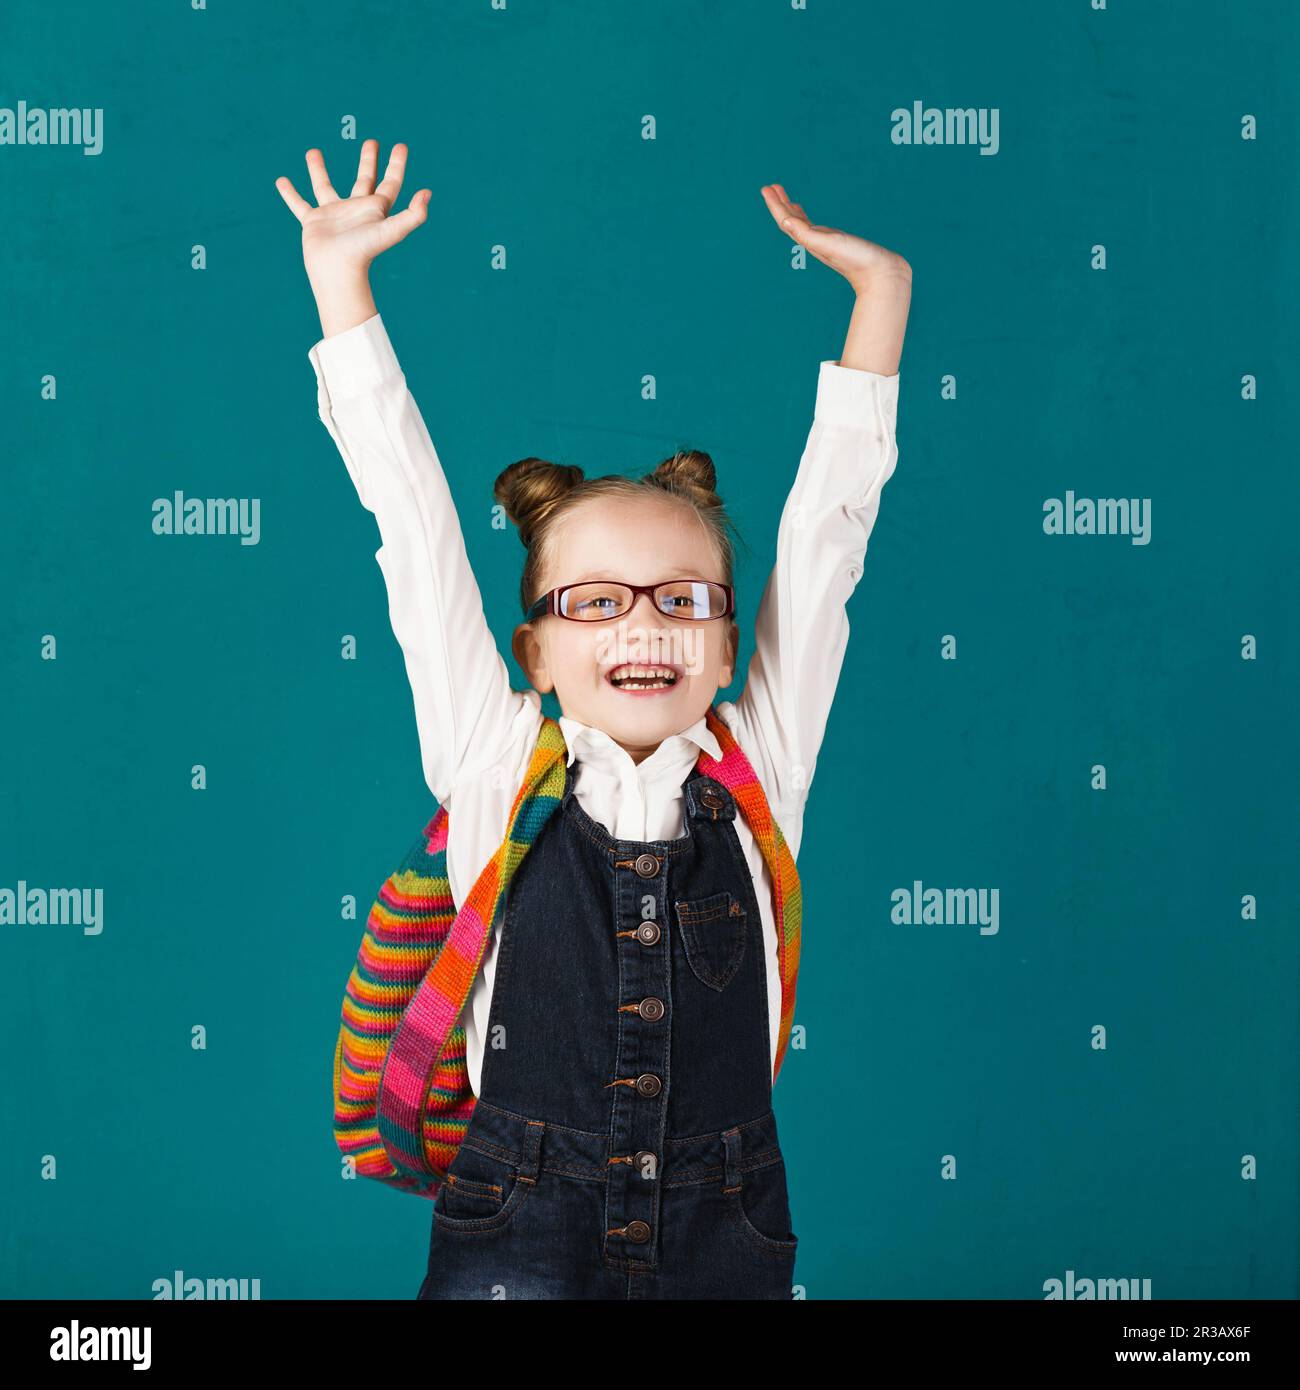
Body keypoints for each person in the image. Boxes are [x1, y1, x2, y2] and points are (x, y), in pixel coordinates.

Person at [276, 141, 912, 1299]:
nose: (644, 627)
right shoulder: (490, 752)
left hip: (726, 1219)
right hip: (515, 1209)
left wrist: (880, 304)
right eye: (598, 603)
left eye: (683, 600)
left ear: (727, 643)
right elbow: (408, 520)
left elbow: (831, 536)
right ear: (535, 651)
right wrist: (341, 288)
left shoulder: (759, 760)